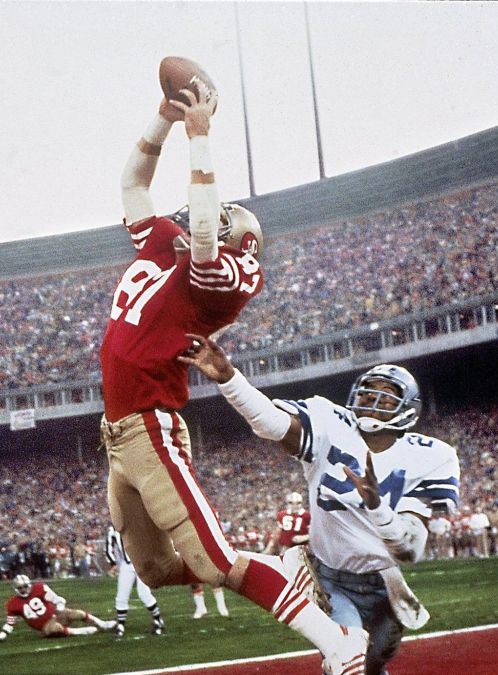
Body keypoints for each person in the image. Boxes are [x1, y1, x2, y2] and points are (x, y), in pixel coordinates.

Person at [100, 78, 367, 675]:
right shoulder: (163, 243)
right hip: (116, 436)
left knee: (217, 563)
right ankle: (281, 572)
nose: (211, 218)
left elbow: (201, 241)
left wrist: (199, 139)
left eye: (224, 218)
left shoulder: (225, 277)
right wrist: (162, 122)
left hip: (151, 426)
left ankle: (336, 641)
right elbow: (132, 184)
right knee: (156, 569)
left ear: (240, 242)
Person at [179, 338, 460, 675]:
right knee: (346, 660)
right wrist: (229, 378)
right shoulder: (330, 420)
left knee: (374, 663)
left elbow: (409, 550)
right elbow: (271, 422)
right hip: (329, 578)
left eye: (385, 395)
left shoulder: (431, 455)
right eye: (368, 393)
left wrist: (376, 506)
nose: (372, 400)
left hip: (384, 582)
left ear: (407, 408)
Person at [0, 574, 115, 642]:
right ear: (16, 589)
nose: (23, 589)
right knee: (56, 628)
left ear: (29, 584)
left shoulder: (39, 588)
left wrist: (60, 606)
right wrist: (2, 636)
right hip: (44, 627)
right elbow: (10, 623)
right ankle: (81, 631)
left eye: (24, 586)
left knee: (77, 613)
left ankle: (102, 624)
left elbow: (57, 599)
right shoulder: (13, 603)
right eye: (20, 588)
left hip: (55, 615)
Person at [104, 524, 164, 637]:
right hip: (126, 565)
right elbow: (108, 548)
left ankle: (158, 619)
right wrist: (113, 563)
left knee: (144, 593)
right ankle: (121, 625)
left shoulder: (136, 523)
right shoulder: (113, 529)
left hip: (143, 563)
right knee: (121, 595)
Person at [265, 491, 311, 556]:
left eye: (297, 503)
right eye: (291, 503)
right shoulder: (282, 514)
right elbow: (278, 533)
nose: (294, 505)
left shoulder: (307, 515)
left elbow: (314, 534)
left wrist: (305, 537)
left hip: (302, 549)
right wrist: (270, 546)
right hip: (286, 548)